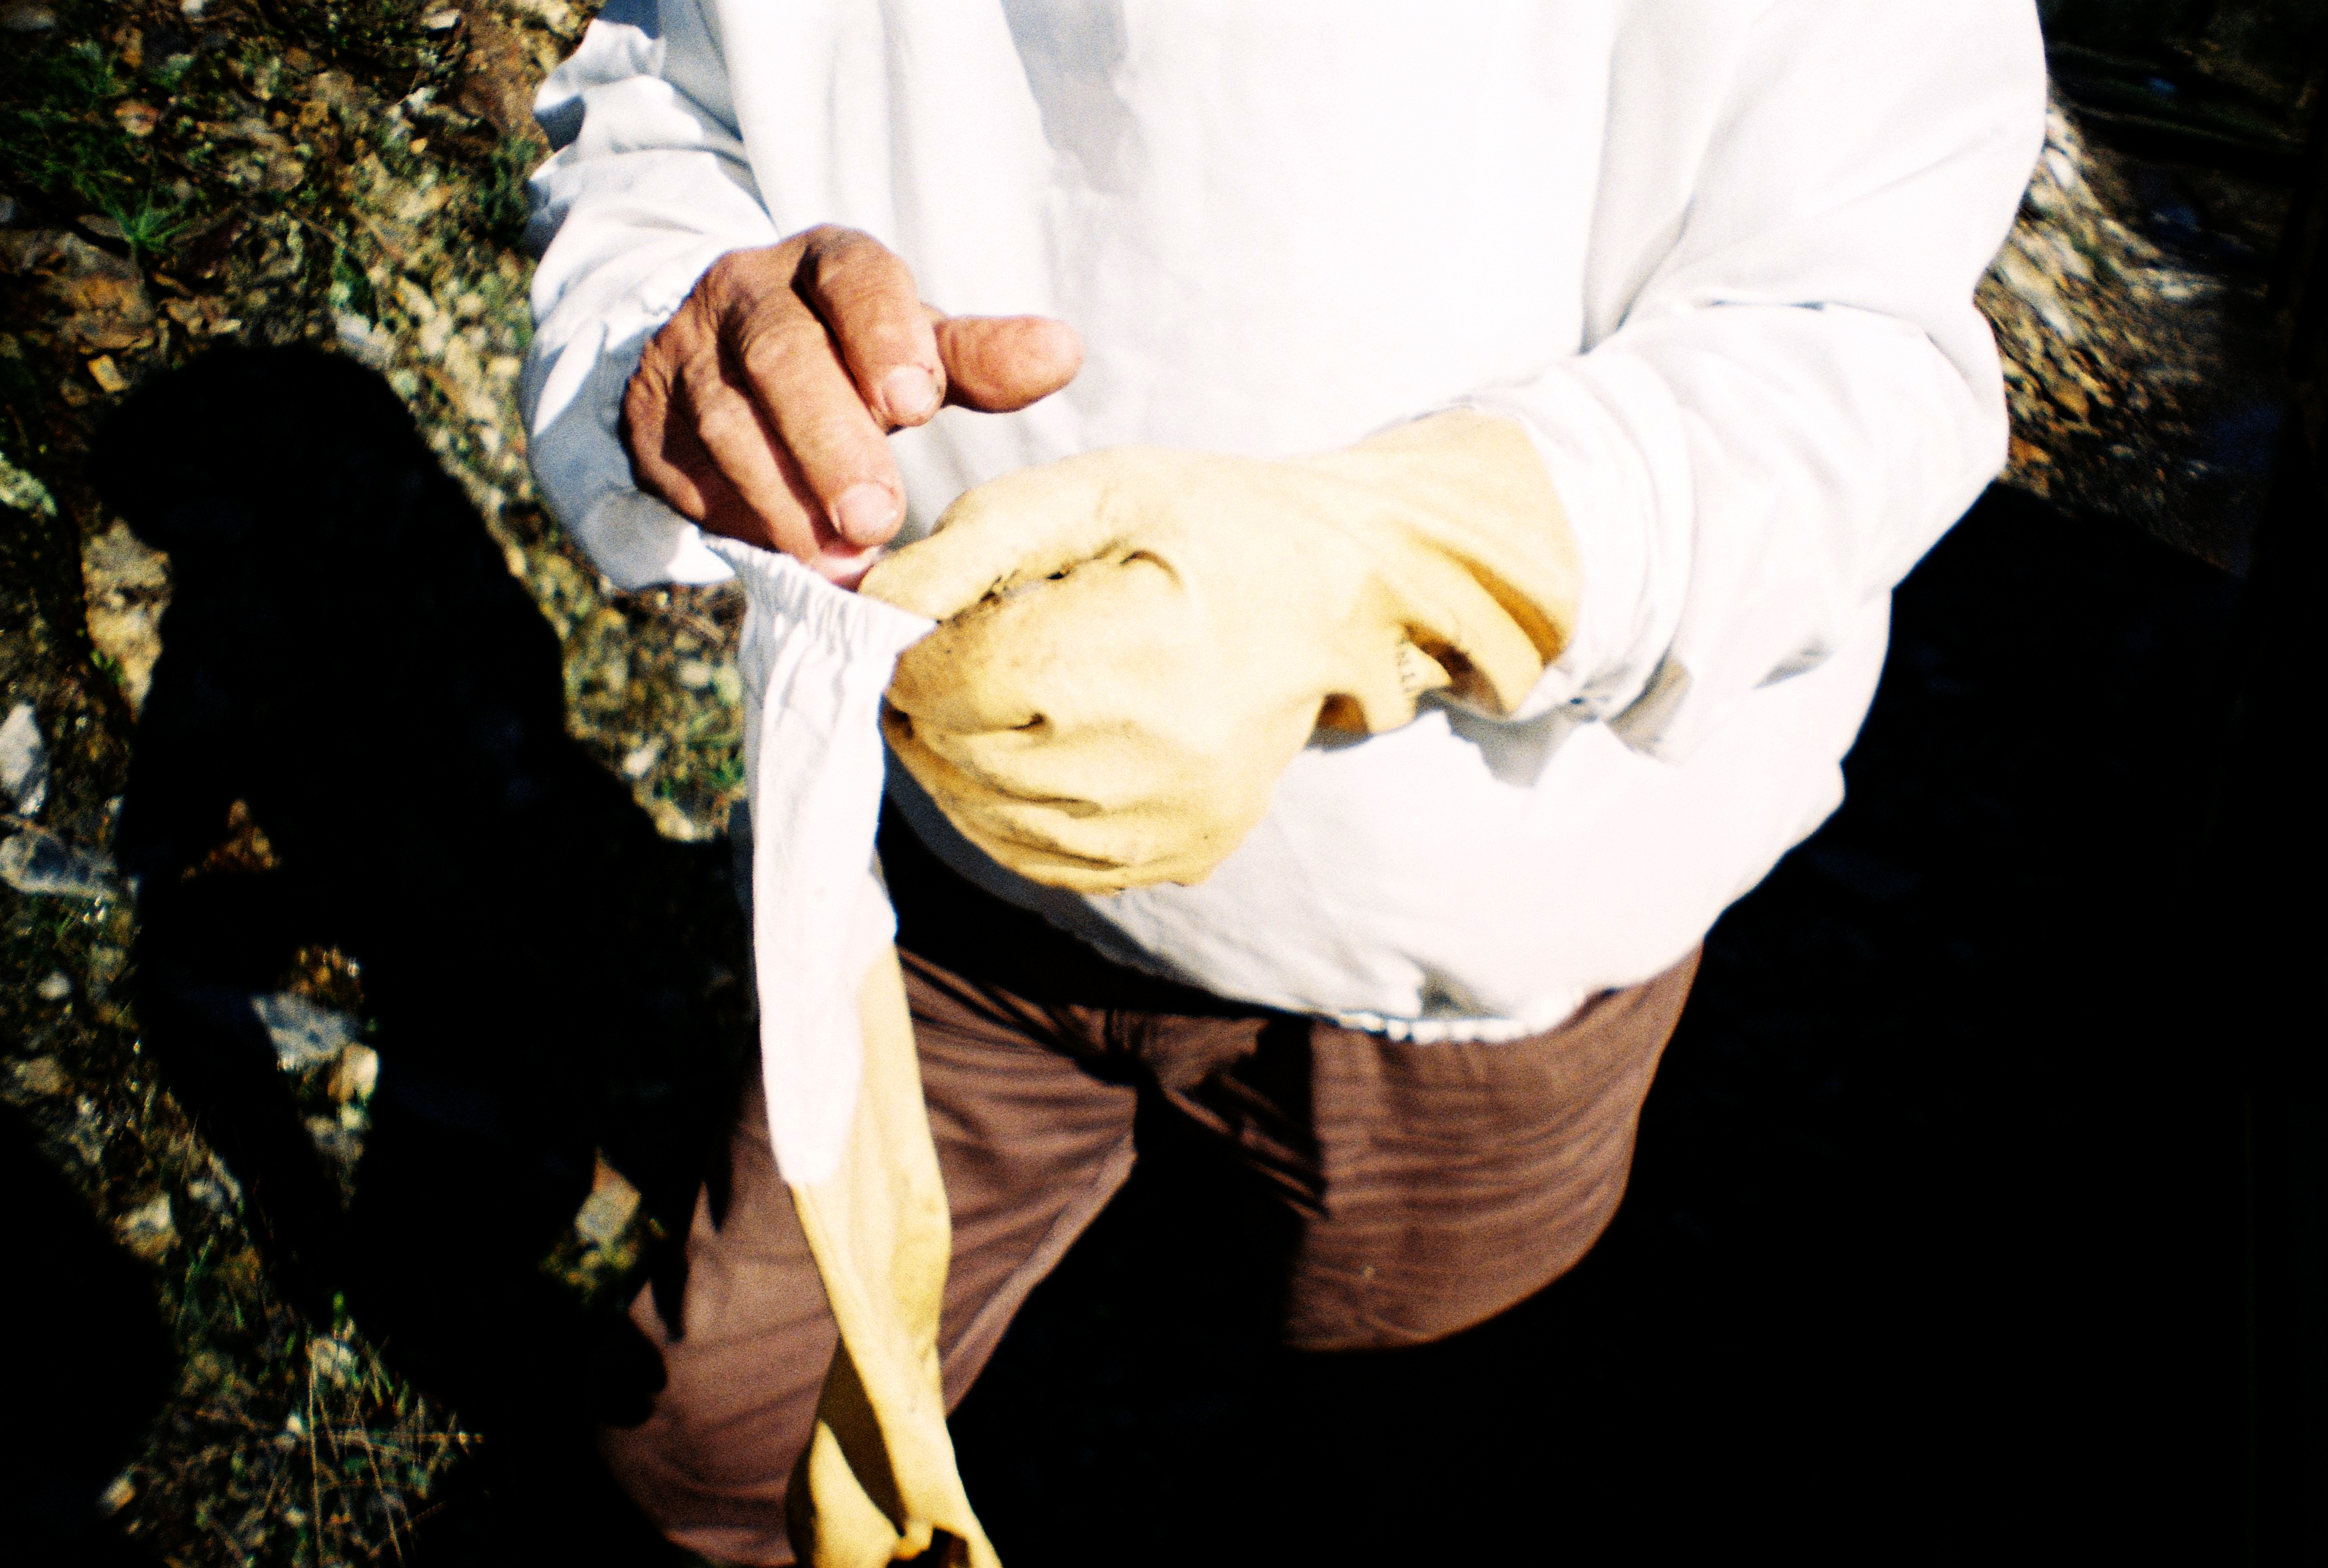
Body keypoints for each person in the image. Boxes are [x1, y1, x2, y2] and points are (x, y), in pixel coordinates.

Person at [520, 2, 2046, 1560]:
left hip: (1462, 971)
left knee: (1403, 1477)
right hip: (950, 882)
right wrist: (680, 335)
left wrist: (1395, 563)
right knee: (704, 1445)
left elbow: (1858, 348)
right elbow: (664, 101)